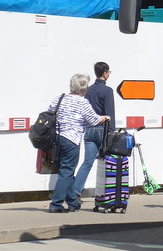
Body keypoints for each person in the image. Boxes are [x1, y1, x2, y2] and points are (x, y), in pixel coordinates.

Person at [46, 73, 110, 213]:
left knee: (66, 170)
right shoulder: (82, 102)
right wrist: (104, 117)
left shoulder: (59, 98)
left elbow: (50, 112)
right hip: (71, 139)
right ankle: (55, 204)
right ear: (83, 89)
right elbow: (93, 120)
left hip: (56, 139)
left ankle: (73, 202)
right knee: (67, 171)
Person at [74, 61, 115, 197]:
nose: (109, 74)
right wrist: (112, 132)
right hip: (102, 130)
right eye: (108, 72)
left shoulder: (88, 90)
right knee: (109, 163)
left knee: (87, 163)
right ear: (104, 73)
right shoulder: (107, 91)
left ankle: (75, 192)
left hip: (89, 130)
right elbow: (110, 114)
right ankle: (109, 194)